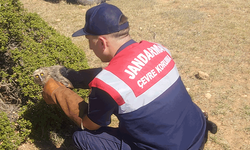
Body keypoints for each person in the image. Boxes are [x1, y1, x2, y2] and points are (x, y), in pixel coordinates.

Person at [42, 3, 209, 150]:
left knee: (83, 137)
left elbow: (88, 125)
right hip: (197, 132)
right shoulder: (157, 49)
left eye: (89, 41)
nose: (90, 48)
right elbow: (124, 73)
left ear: (102, 42)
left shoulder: (107, 86)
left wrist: (57, 92)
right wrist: (74, 77)